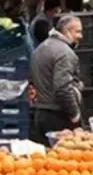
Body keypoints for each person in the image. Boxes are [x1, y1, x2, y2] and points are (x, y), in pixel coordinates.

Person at [29, 15, 84, 146]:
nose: (81, 36)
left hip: (40, 113)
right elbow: (62, 88)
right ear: (66, 32)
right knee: (62, 160)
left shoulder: (40, 49)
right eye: (78, 31)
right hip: (58, 116)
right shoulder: (65, 53)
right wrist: (75, 115)